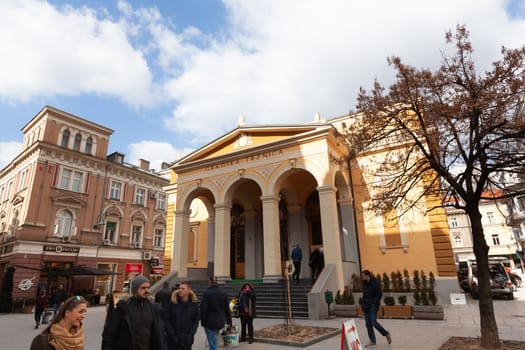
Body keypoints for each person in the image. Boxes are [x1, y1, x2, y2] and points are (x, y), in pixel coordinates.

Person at [102, 275, 167, 350]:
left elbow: (160, 335)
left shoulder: (154, 309)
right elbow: (109, 335)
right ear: (135, 289)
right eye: (143, 288)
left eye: (148, 287)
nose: (147, 290)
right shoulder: (123, 309)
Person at [360, 270, 392, 348]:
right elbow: (364, 294)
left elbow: (379, 294)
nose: (362, 277)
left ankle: (386, 333)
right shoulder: (364, 283)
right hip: (366, 306)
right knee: (368, 324)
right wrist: (362, 303)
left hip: (373, 306)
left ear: (368, 275)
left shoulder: (375, 283)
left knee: (373, 322)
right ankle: (372, 341)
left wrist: (374, 303)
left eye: (363, 275)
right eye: (362, 276)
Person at [164, 281, 199, 350]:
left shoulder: (193, 304)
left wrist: (191, 334)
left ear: (189, 290)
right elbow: (166, 319)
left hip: (187, 341)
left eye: (183, 288)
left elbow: (196, 320)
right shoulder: (172, 302)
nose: (180, 290)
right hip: (173, 341)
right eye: (179, 288)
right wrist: (172, 335)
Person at [200, 276, 232, 350]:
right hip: (220, 321)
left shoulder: (207, 293)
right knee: (213, 341)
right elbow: (227, 309)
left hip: (209, 322)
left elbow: (203, 308)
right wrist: (229, 321)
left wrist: (203, 321)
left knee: (213, 343)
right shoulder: (223, 292)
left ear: (210, 282)